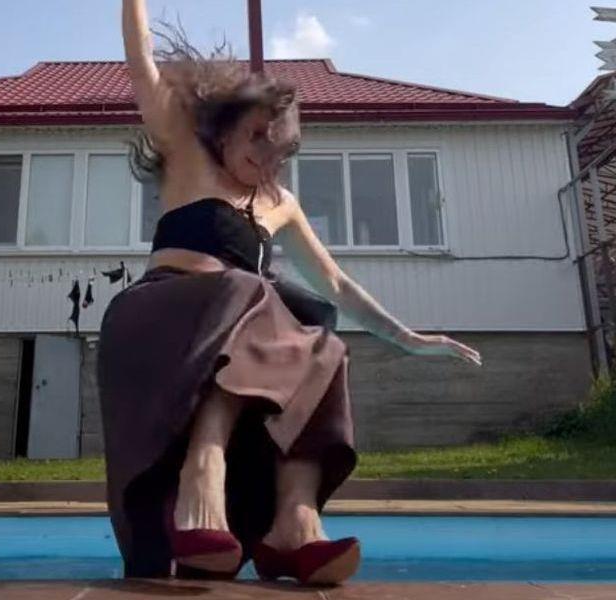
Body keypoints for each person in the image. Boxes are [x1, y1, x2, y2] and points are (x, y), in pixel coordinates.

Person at [97, 0, 483, 585]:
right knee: (250, 288)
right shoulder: (184, 146)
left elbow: (337, 284)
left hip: (238, 327)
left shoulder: (281, 205)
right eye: (255, 136)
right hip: (161, 316)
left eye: (277, 146)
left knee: (323, 342)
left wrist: (409, 337)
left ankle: (294, 520)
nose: (263, 154)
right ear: (226, 127)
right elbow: (140, 57)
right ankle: (204, 468)